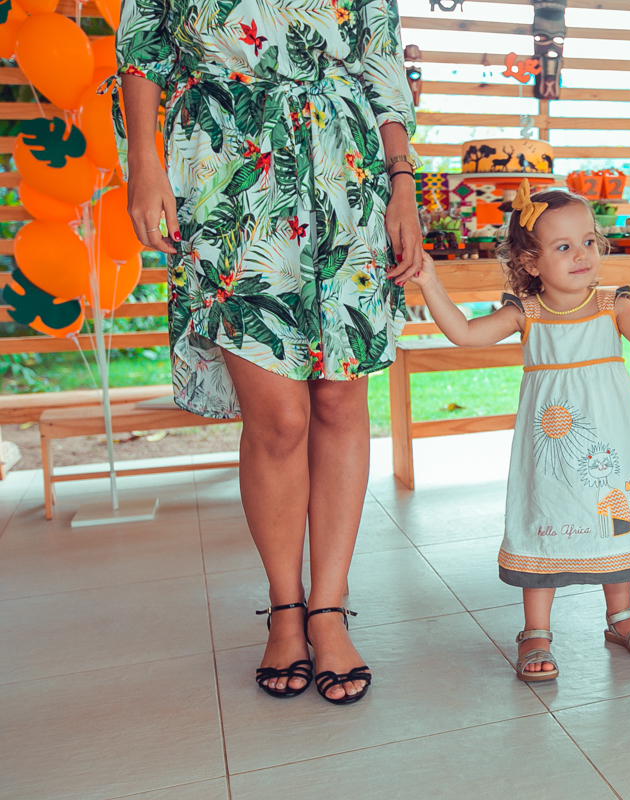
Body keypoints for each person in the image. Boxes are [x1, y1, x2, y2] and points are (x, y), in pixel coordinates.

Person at [116, 0, 423, 704]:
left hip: (347, 171)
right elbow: (142, 48)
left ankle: (327, 606)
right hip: (226, 166)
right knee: (278, 417)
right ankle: (284, 605)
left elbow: (380, 61)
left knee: (341, 397)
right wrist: (143, 162)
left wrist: (402, 182)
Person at [408, 181, 630, 680]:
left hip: (610, 451)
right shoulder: (525, 314)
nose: (582, 255)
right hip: (550, 456)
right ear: (531, 263)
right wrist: (430, 285)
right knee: (545, 526)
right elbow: (464, 333)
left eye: (588, 241)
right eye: (563, 247)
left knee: (616, 523)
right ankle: (536, 632)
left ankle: (619, 616)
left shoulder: (613, 304)